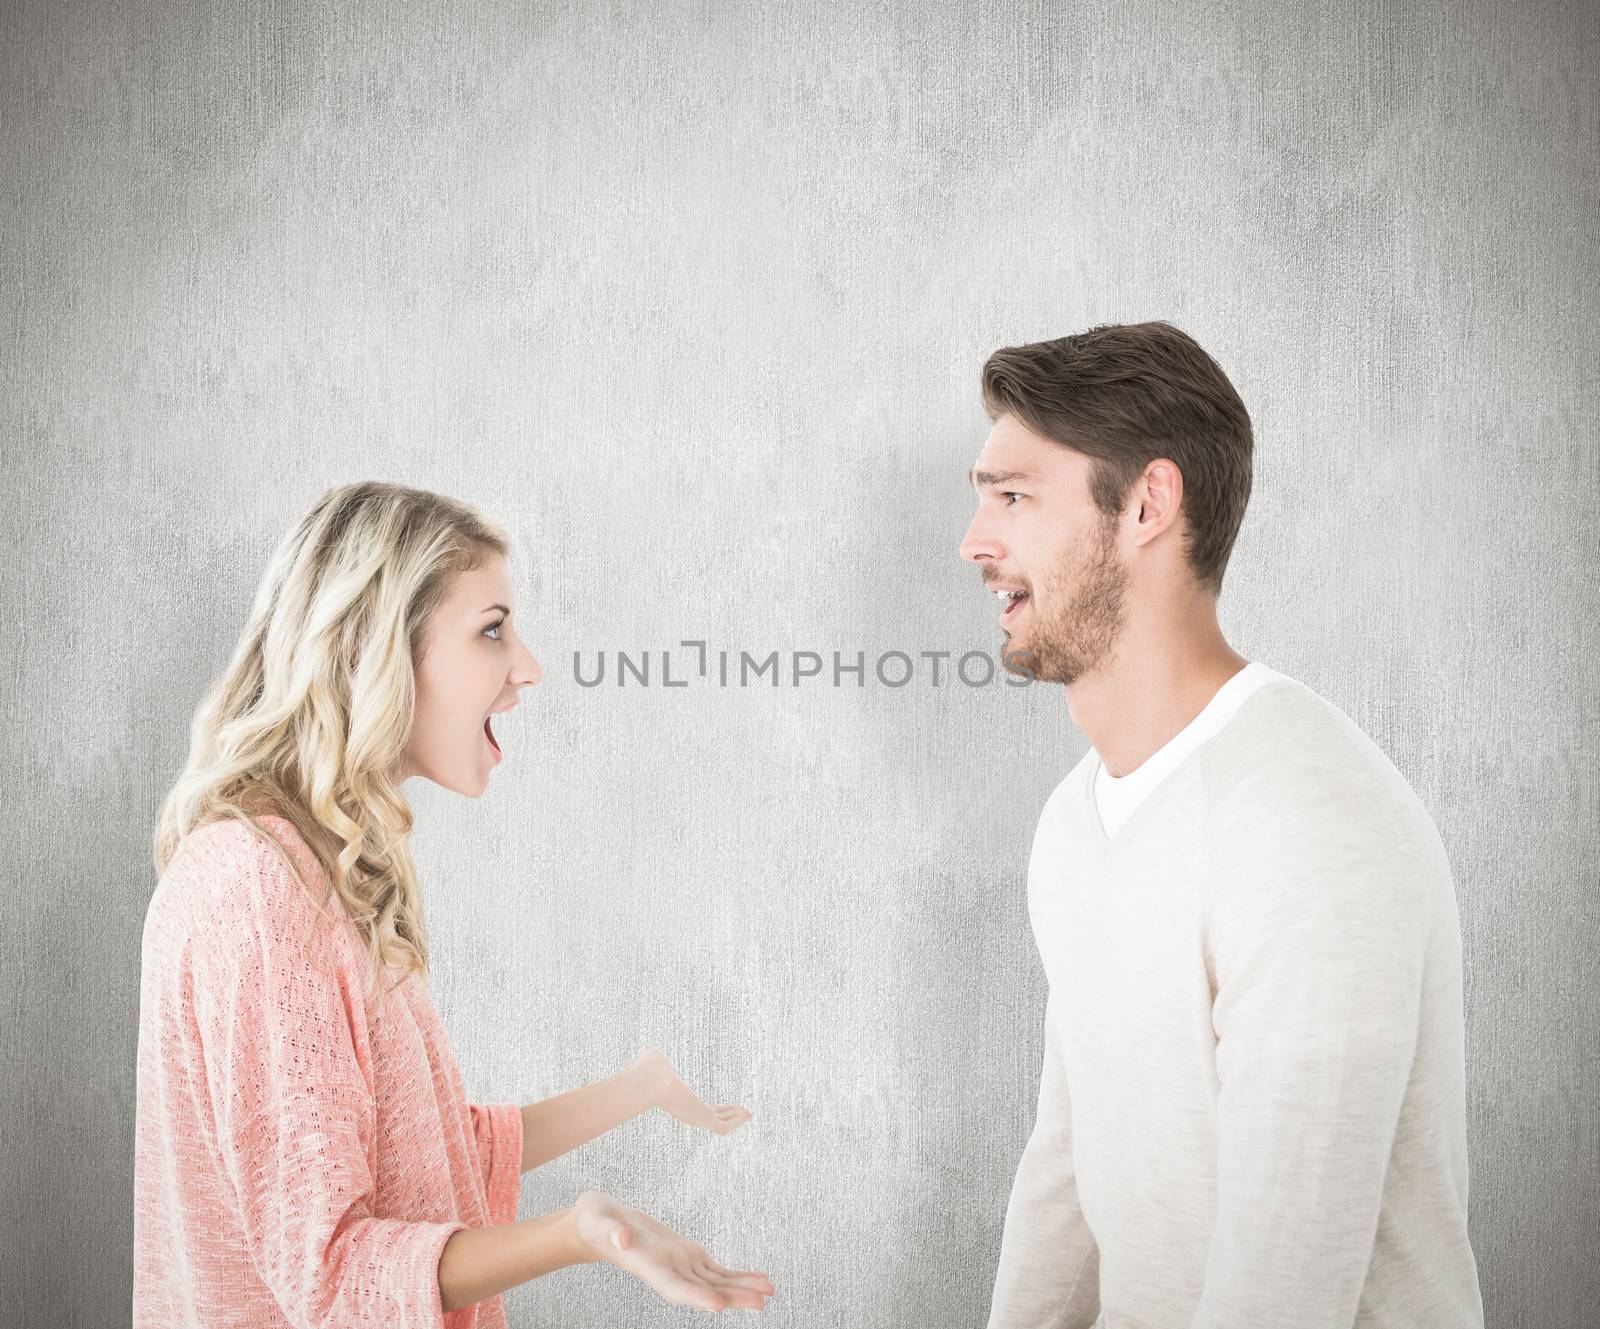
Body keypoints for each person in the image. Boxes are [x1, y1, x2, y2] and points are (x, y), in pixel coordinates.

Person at [132, 482, 775, 1327]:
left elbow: (427, 1154)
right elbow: (330, 1268)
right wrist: (584, 1231)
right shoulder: (257, 890)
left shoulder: (310, 871)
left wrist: (639, 1085)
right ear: (374, 649)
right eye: (491, 629)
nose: (529, 666)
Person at [961, 322, 1484, 1328]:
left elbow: (1286, 1288)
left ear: (1148, 506)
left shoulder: (1304, 823)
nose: (974, 541)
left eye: (1013, 496)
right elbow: (1069, 1177)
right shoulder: (1077, 819)